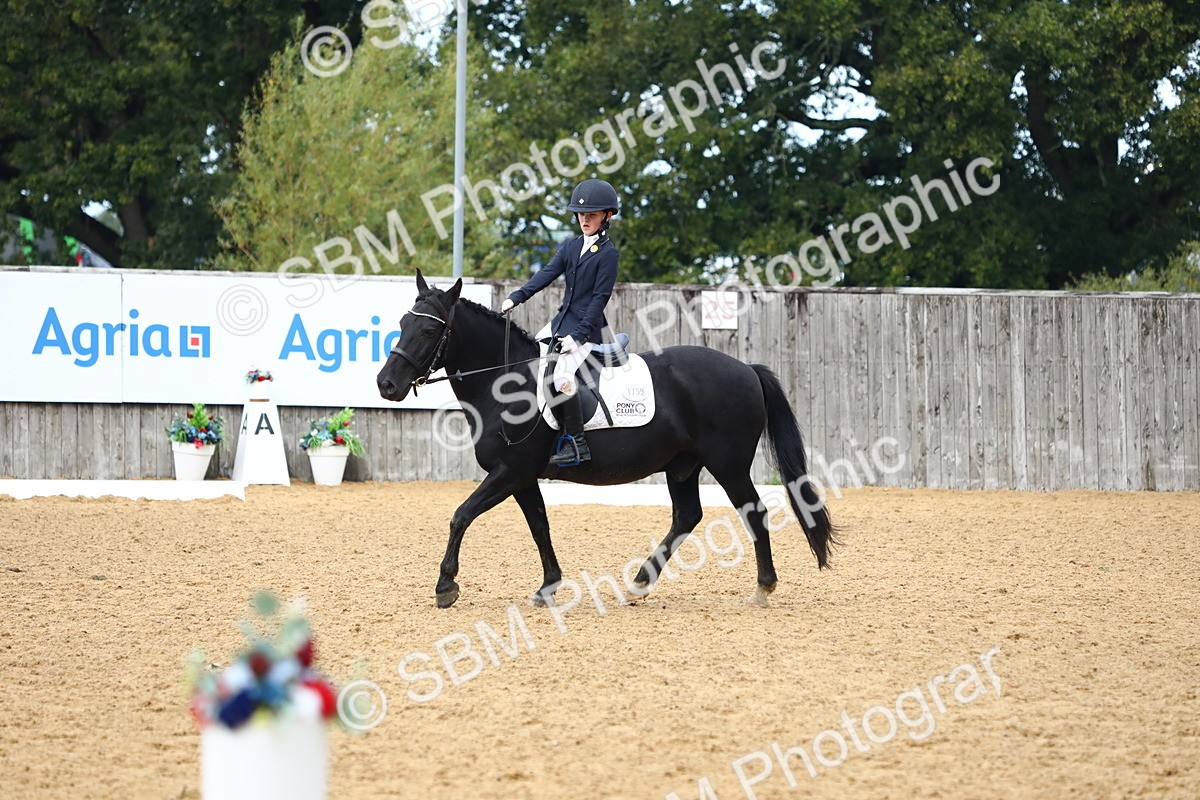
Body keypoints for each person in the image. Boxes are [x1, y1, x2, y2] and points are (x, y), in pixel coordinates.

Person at [501, 178, 620, 466]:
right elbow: (545, 274)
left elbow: (598, 301)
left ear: (607, 216)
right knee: (530, 361)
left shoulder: (608, 255)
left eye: (591, 215)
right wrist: (517, 297)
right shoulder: (570, 246)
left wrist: (578, 336)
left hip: (588, 331)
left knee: (562, 377)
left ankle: (576, 443)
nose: (585, 219)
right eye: (581, 214)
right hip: (560, 323)